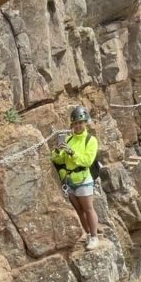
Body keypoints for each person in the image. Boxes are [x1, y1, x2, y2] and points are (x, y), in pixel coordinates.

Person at [51, 105, 101, 250]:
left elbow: (87, 161)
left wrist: (72, 153)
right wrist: (58, 151)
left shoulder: (90, 140)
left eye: (81, 122)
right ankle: (88, 234)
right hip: (70, 179)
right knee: (79, 210)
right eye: (75, 123)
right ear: (72, 125)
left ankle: (94, 236)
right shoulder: (69, 139)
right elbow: (59, 160)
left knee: (88, 209)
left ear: (85, 123)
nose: (78, 126)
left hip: (84, 179)